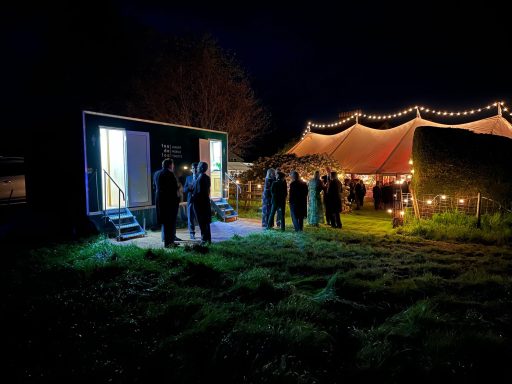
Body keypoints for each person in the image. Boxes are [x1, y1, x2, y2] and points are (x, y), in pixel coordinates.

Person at [154, 158, 180, 248]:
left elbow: (155, 187)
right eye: (172, 165)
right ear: (170, 165)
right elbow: (173, 188)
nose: (173, 166)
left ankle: (168, 241)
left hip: (160, 201)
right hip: (169, 202)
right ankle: (169, 243)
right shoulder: (169, 174)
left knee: (165, 222)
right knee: (170, 223)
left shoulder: (157, 174)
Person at [191, 161, 212, 244]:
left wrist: (193, 196)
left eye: (199, 166)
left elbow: (200, 192)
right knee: (205, 222)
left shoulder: (202, 178)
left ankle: (204, 240)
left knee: (202, 222)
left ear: (202, 168)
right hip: (204, 202)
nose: (197, 168)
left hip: (200, 203)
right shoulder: (204, 177)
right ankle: (207, 239)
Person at [183, 162, 198, 239]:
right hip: (190, 201)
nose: (194, 169)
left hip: (199, 201)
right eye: (193, 168)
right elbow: (184, 189)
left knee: (199, 218)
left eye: (196, 168)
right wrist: (189, 188)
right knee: (190, 217)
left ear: (198, 169)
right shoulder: (188, 178)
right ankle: (192, 233)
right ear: (191, 169)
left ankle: (203, 233)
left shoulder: (201, 177)